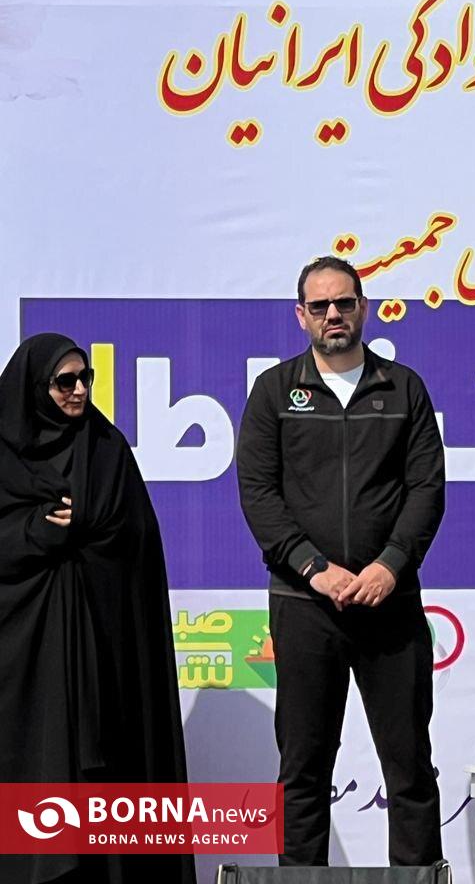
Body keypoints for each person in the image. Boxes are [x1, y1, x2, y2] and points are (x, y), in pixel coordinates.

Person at [236, 257, 446, 867]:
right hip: (305, 605)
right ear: (301, 316)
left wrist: (391, 565)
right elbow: (258, 492)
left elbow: (427, 487)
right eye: (320, 305)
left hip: (390, 603)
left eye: (344, 303)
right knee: (303, 770)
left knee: (410, 769)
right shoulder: (274, 390)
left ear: (363, 308)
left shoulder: (403, 387)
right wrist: (314, 568)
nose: (334, 314)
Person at [0, 334, 195, 884]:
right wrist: (35, 532)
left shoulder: (106, 449)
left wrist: (88, 529)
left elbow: (139, 543)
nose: (79, 390)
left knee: (104, 787)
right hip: (23, 660)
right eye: (65, 382)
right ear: (34, 388)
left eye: (85, 378)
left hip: (103, 649)